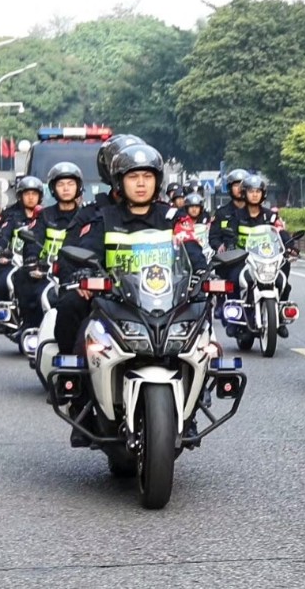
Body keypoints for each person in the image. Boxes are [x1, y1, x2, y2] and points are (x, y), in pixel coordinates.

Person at [51, 144, 205, 445]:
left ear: (157, 181)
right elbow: (78, 253)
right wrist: (82, 276)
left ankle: (195, 400)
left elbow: (193, 253)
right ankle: (78, 393)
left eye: (147, 177)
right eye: (133, 177)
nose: (141, 183)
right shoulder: (102, 217)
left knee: (204, 322)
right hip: (115, 302)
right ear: (119, 182)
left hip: (165, 301)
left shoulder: (174, 216)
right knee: (70, 307)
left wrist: (203, 275)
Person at [222, 174, 295, 337]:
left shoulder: (271, 216)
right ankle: (234, 319)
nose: (254, 194)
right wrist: (231, 245)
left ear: (263, 194)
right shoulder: (235, 216)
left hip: (267, 260)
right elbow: (229, 235)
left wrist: (290, 245)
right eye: (251, 191)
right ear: (244, 193)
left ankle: (280, 317)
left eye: (258, 191)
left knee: (283, 280)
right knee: (233, 279)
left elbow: (280, 232)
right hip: (244, 259)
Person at [16, 163, 83, 330]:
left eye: (70, 184)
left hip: (77, 274)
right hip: (47, 272)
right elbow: (34, 238)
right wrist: (32, 258)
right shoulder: (45, 215)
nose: (66, 189)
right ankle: (29, 327)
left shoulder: (87, 216)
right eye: (61, 184)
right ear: (53, 189)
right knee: (23, 279)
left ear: (79, 187)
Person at [0, 176, 43, 304]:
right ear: (20, 196)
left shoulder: (46, 216)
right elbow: (3, 235)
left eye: (34, 194)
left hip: (41, 263)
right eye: (27, 194)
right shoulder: (12, 216)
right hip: (15, 261)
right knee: (2, 283)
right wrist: (1, 249)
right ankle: (4, 316)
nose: (31, 197)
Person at [209, 168, 250, 253]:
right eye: (236, 185)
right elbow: (213, 237)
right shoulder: (222, 213)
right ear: (229, 188)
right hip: (229, 258)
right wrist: (220, 246)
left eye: (242, 186)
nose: (239, 188)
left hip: (254, 257)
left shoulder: (254, 212)